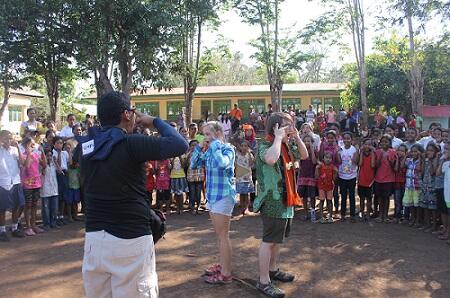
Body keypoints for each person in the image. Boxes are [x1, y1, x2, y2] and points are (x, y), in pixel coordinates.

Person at [81, 91, 188, 298]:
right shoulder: (131, 144)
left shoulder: (87, 148)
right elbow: (179, 144)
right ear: (126, 115)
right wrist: (154, 121)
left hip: (94, 240)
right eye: (132, 111)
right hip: (130, 239)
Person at [252, 112, 308, 298]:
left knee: (277, 239)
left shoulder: (287, 144)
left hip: (287, 199)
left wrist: (297, 136)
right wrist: (277, 138)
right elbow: (270, 159)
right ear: (276, 127)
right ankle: (263, 280)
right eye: (287, 125)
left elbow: (305, 155)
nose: (291, 128)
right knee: (269, 241)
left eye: (292, 125)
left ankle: (273, 269)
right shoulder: (266, 144)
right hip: (272, 201)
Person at [191, 121, 236, 284]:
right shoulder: (210, 150)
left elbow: (222, 164)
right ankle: (223, 265)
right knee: (220, 235)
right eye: (204, 134)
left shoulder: (227, 148)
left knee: (223, 235)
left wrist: (215, 145)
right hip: (212, 196)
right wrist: (199, 147)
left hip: (223, 196)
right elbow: (194, 164)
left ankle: (226, 274)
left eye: (208, 134)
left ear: (218, 133)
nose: (205, 138)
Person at [0, 130, 25, 241]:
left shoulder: (15, 150)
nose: (8, 141)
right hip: (3, 182)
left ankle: (14, 228)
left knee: (17, 206)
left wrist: (18, 148)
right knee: (2, 208)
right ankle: (2, 231)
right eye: (6, 138)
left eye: (10, 138)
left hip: (15, 181)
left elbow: (23, 162)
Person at [20, 136, 47, 236]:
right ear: (26, 145)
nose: (33, 145)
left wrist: (42, 151)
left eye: (34, 144)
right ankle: (28, 227)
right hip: (27, 185)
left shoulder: (36, 155)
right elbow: (26, 166)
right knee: (28, 206)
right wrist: (29, 153)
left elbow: (44, 165)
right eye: (31, 144)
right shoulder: (22, 155)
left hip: (36, 183)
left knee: (35, 205)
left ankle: (34, 225)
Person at [374, 134, 397, 223]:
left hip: (389, 178)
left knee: (386, 197)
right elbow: (375, 165)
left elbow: (394, 167)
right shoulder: (377, 152)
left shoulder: (393, 152)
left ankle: (386, 215)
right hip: (378, 178)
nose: (384, 143)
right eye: (382, 142)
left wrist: (390, 161)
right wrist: (380, 158)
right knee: (379, 197)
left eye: (386, 142)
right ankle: (380, 214)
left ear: (389, 143)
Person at [337, 132, 359, 222]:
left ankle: (352, 215)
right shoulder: (340, 149)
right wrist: (338, 153)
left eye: (348, 138)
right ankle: (342, 215)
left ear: (351, 140)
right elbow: (339, 162)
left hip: (352, 176)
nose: (346, 140)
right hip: (342, 176)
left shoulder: (354, 149)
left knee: (352, 196)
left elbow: (355, 161)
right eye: (344, 138)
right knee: (343, 196)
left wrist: (357, 152)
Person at [418, 143, 440, 232]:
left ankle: (434, 225)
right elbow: (422, 171)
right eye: (428, 150)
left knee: (433, 207)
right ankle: (427, 224)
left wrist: (430, 161)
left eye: (431, 150)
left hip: (432, 187)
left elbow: (432, 172)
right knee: (425, 206)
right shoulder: (426, 160)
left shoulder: (436, 160)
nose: (429, 152)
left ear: (436, 152)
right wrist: (423, 160)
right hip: (425, 186)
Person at [297, 134, 318, 221]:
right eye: (305, 141)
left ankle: (313, 212)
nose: (306, 143)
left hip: (311, 176)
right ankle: (305, 213)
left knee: (312, 196)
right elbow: (299, 163)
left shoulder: (315, 151)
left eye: (309, 141)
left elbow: (314, 161)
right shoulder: (300, 151)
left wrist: (312, 149)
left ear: (312, 142)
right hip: (303, 176)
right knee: (304, 196)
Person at [402, 144, 423, 226]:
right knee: (410, 203)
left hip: (417, 186)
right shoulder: (409, 160)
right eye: (412, 151)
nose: (414, 153)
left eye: (416, 152)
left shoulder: (420, 161)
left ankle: (417, 220)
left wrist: (421, 158)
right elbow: (402, 165)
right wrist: (406, 155)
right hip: (409, 185)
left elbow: (419, 169)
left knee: (416, 204)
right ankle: (413, 218)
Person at [235, 139, 255, 216]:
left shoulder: (249, 155)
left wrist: (250, 154)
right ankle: (242, 207)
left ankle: (246, 208)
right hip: (239, 177)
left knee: (246, 194)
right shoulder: (237, 155)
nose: (244, 147)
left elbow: (251, 164)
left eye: (246, 146)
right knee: (241, 193)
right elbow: (235, 165)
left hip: (247, 177)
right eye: (242, 146)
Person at [316, 152, 337, 223]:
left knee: (330, 201)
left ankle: (330, 216)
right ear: (323, 159)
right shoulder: (320, 166)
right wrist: (316, 169)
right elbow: (316, 176)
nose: (328, 159)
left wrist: (336, 173)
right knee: (321, 201)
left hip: (330, 187)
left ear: (331, 159)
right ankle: (322, 217)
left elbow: (334, 179)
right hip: (321, 186)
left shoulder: (332, 167)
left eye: (329, 158)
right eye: (326, 157)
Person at [40, 148, 59, 230]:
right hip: (45, 189)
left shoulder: (53, 164)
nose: (49, 157)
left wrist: (55, 162)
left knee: (54, 208)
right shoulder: (41, 164)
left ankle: (53, 223)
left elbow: (59, 171)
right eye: (47, 155)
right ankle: (46, 224)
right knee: (46, 209)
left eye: (50, 155)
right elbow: (43, 173)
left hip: (54, 189)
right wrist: (45, 164)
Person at [53, 136, 69, 225]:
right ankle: (57, 216)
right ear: (54, 144)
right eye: (58, 143)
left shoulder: (65, 153)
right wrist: (58, 153)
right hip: (57, 174)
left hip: (64, 173)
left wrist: (68, 152)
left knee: (63, 196)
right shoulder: (53, 153)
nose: (60, 145)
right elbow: (58, 164)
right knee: (58, 196)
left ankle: (62, 215)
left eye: (61, 143)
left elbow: (68, 163)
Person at [358, 138, 375, 221]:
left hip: (370, 180)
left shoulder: (373, 154)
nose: (367, 146)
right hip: (362, 179)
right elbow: (360, 163)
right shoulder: (361, 153)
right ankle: (361, 212)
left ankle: (368, 213)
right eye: (365, 144)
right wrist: (361, 152)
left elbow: (372, 165)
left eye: (369, 144)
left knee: (369, 198)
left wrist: (372, 152)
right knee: (361, 198)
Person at [437, 143, 450, 245]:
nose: (446, 150)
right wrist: (442, 160)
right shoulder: (446, 163)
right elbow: (438, 173)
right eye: (445, 148)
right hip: (447, 194)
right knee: (447, 212)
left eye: (448, 149)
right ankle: (447, 231)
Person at [186, 140, 204, 214]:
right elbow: (186, 163)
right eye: (192, 145)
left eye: (196, 145)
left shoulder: (201, 154)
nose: (194, 147)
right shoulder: (188, 154)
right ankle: (192, 206)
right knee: (192, 192)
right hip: (191, 176)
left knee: (198, 192)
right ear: (189, 147)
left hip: (199, 176)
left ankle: (198, 206)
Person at [393, 144, 407, 223]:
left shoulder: (408, 160)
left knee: (404, 200)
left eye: (402, 151)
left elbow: (402, 166)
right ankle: (397, 215)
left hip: (405, 183)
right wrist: (398, 159)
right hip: (397, 183)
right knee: (397, 200)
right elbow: (395, 168)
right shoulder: (395, 160)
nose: (400, 152)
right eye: (399, 150)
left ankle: (404, 216)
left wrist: (405, 157)